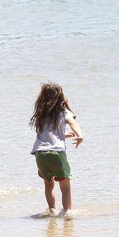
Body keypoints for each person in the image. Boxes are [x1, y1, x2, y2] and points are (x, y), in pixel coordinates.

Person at [30, 82, 84, 217]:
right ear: (60, 97)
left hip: (40, 153)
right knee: (65, 186)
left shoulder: (40, 114)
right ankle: (66, 212)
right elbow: (73, 123)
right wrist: (79, 135)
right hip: (56, 152)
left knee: (48, 185)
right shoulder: (63, 112)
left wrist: (63, 135)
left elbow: (47, 133)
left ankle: (52, 210)